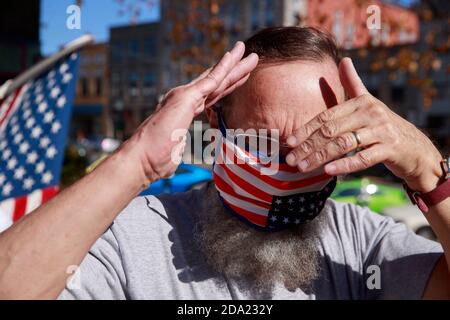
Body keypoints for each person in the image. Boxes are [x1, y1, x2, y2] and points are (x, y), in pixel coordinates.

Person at [0, 27, 449, 300]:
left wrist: (430, 173)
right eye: (263, 145)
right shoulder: (134, 241)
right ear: (215, 122)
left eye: (319, 146)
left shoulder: (363, 246)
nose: (289, 170)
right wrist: (136, 161)